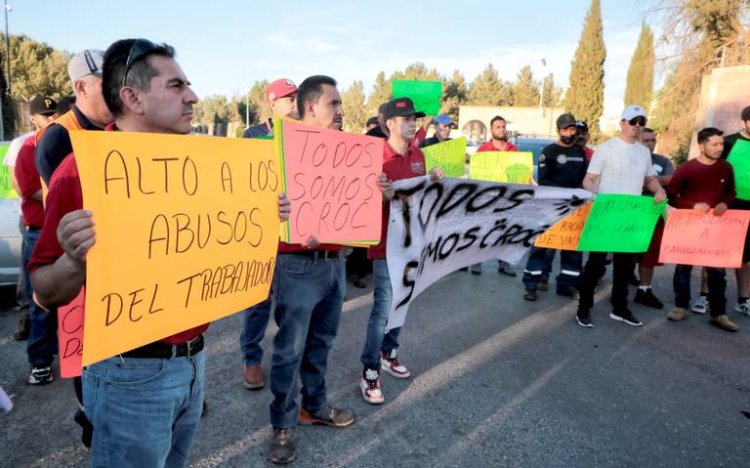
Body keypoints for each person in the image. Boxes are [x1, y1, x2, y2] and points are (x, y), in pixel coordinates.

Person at [29, 38, 290, 467]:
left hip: (193, 360)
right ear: (132, 98)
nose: (193, 96)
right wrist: (72, 260)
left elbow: (205, 240)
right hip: (127, 373)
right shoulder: (80, 170)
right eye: (176, 86)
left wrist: (263, 214)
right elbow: (43, 290)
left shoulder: (203, 164)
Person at [268, 75, 354, 465]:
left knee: (322, 343)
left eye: (339, 104)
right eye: (333, 104)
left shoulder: (348, 150)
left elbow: (358, 202)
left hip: (334, 264)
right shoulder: (278, 151)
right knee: (290, 350)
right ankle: (283, 424)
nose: (340, 110)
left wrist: (379, 189)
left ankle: (314, 406)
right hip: (296, 265)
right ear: (309, 108)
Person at [359, 97, 444, 405]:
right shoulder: (374, 158)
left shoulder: (419, 155)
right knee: (383, 307)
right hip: (384, 245)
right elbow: (360, 208)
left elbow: (423, 198)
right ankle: (369, 370)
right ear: (389, 124)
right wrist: (384, 197)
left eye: (414, 118)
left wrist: (434, 181)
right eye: (406, 118)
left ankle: (387, 351)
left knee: (403, 300)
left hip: (412, 242)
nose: (413, 122)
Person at [575, 105, 667, 328]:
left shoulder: (643, 152)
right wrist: (594, 192)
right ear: (622, 123)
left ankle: (620, 308)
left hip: (630, 217)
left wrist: (658, 190)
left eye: (641, 122)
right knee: (596, 265)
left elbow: (649, 178)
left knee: (625, 267)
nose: (637, 126)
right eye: (633, 121)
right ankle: (583, 308)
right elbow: (589, 179)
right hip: (606, 215)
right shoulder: (606, 149)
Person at [240, 78, 299, 391]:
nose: (294, 103)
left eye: (297, 98)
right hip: (260, 233)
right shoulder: (253, 135)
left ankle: (285, 358)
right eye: (288, 98)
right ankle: (251, 358)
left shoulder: (304, 134)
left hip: (292, 236)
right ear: (273, 103)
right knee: (257, 301)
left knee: (290, 303)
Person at [665, 127, 738, 332]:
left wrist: (725, 203)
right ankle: (681, 306)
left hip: (715, 226)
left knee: (717, 270)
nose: (719, 148)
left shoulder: (726, 167)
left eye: (721, 144)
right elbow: (672, 194)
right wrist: (691, 205)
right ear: (702, 145)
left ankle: (718, 313)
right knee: (683, 268)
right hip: (689, 225)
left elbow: (731, 192)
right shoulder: (687, 168)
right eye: (715, 144)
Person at [15, 96, 59, 385]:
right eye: (46, 114)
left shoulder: (63, 142)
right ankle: (40, 363)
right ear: (33, 119)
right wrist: (66, 194)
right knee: (41, 302)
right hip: (40, 232)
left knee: (72, 300)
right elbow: (31, 191)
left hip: (62, 230)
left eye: (54, 112)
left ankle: (68, 354)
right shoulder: (28, 148)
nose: (52, 118)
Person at [522, 113, 586, 301]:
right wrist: (563, 194)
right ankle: (531, 285)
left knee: (572, 248)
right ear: (559, 131)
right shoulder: (549, 151)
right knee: (541, 245)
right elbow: (543, 180)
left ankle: (566, 285)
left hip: (574, 209)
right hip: (550, 207)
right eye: (565, 129)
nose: (569, 132)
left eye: (572, 129)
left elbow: (584, 180)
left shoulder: (579, 153)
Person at [35, 49, 113, 186]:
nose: (116, 91)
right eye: (108, 84)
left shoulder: (123, 128)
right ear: (81, 88)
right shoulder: (56, 140)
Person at [632, 128, 674, 309]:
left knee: (649, 255)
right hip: (631, 213)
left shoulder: (663, 161)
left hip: (654, 214)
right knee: (624, 252)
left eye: (652, 140)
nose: (650, 144)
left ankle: (644, 290)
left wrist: (649, 181)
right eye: (645, 140)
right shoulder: (630, 159)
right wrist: (655, 182)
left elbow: (672, 179)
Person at [475, 115, 519, 276]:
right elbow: (477, 175)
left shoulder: (513, 149)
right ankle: (476, 262)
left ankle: (504, 263)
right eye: (497, 127)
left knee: (506, 232)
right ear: (491, 130)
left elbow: (518, 173)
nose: (501, 129)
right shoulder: (483, 150)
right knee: (482, 230)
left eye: (503, 126)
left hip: (507, 198)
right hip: (487, 198)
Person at [721, 105, 750, 316]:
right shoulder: (728, 142)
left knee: (745, 257)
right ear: (744, 122)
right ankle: (705, 295)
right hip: (729, 205)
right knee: (716, 253)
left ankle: (743, 299)